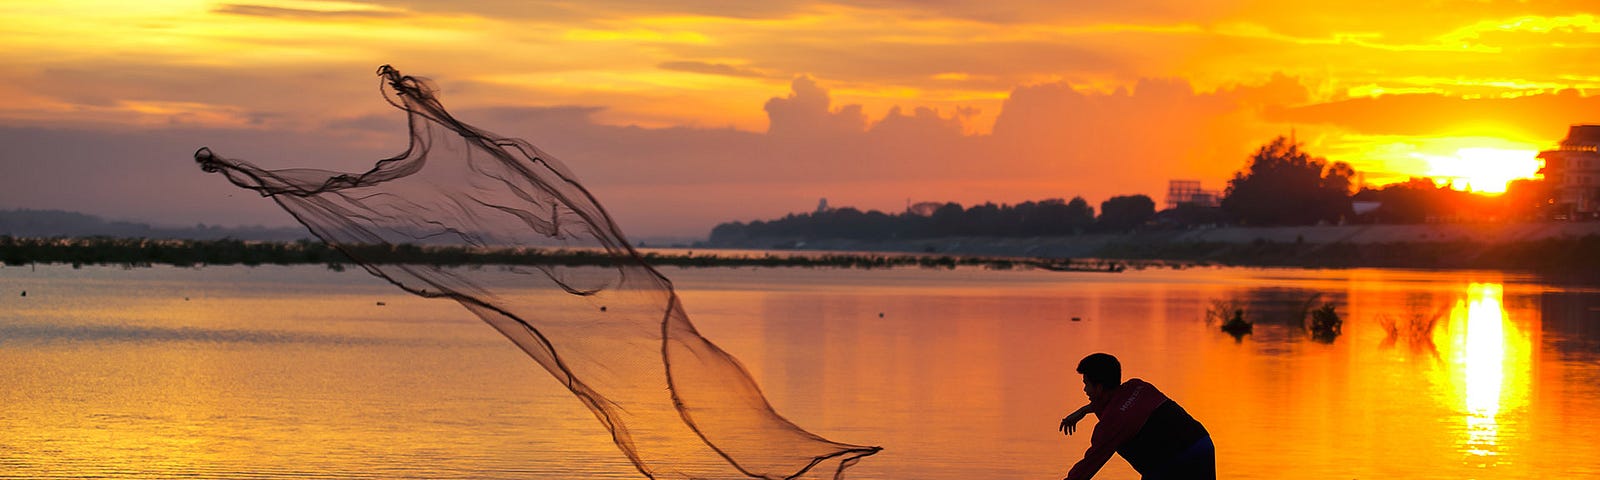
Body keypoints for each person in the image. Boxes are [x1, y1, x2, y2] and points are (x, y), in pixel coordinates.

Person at [1059, 353, 1214, 480]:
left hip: (1173, 461)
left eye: (1086, 384)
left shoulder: (1111, 424)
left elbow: (1089, 466)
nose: (1085, 389)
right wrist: (1083, 411)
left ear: (1099, 387)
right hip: (1201, 442)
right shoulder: (1138, 386)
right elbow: (1122, 405)